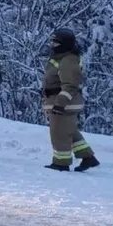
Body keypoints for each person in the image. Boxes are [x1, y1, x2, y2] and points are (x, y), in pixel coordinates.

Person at [43, 28, 99, 172]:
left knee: (59, 132)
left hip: (64, 103)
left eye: (56, 43)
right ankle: (88, 157)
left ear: (65, 44)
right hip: (59, 101)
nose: (52, 45)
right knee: (69, 130)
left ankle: (61, 163)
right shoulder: (60, 57)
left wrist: (60, 103)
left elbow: (70, 85)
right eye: (52, 42)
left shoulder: (68, 59)